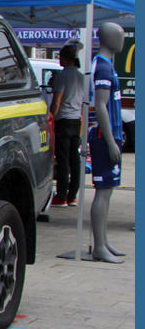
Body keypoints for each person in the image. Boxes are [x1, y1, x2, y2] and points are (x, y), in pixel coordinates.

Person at [87, 22, 127, 264]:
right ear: (108, 38)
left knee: (108, 191)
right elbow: (100, 106)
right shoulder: (103, 67)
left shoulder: (105, 65)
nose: (122, 39)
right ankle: (99, 246)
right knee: (103, 191)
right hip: (104, 138)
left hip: (109, 136)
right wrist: (111, 140)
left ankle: (103, 241)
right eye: (119, 35)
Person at [49, 44, 85, 207]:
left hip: (63, 120)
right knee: (74, 159)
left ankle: (61, 196)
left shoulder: (62, 76)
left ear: (63, 57)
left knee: (62, 159)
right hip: (76, 120)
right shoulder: (82, 76)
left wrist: (50, 118)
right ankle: (72, 195)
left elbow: (57, 101)